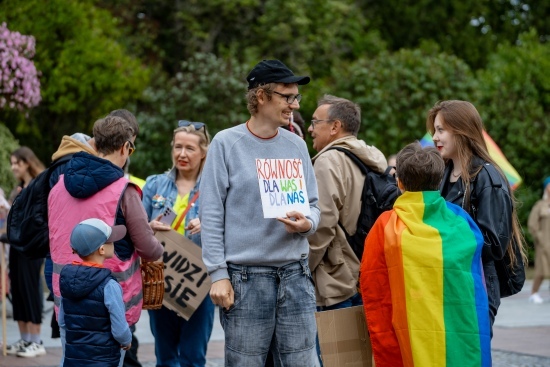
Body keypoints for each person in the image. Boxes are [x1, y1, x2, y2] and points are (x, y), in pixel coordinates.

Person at [200, 59, 321, 366]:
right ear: (262, 96)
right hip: (246, 279)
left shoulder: (296, 145)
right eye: (287, 96)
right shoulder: (226, 144)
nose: (294, 104)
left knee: (303, 362)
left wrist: (307, 224)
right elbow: (212, 214)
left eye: (296, 97)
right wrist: (218, 275)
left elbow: (315, 206)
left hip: (296, 274)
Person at [360, 142, 491, 367]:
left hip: (409, 333)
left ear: (399, 182)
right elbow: (475, 281)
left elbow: (373, 284)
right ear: (439, 180)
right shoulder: (461, 221)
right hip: (457, 334)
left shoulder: (385, 227)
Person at [48, 115, 164, 365]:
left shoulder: (58, 186)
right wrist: (159, 245)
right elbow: (147, 248)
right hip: (112, 304)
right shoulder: (125, 189)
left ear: (94, 143)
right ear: (125, 147)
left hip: (67, 298)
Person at [427, 100, 527, 335]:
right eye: (434, 130)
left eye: (441, 130)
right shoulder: (443, 174)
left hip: (477, 282)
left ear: (461, 131)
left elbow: (493, 244)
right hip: (450, 280)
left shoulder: (487, 177)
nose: (434, 137)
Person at [306, 95, 386, 363]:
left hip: (335, 280)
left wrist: (302, 267)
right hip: (366, 274)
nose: (309, 128)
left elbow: (322, 226)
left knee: (336, 359)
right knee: (362, 359)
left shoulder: (328, 162)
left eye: (315, 122)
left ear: (334, 126)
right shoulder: (372, 158)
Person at [142, 120, 215, 366]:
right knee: (164, 357)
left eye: (190, 148)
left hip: (197, 282)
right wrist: (148, 228)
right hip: (161, 280)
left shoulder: (215, 188)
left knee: (194, 357)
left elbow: (233, 226)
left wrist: (208, 225)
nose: (182, 154)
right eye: (177, 147)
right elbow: (137, 230)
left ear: (204, 152)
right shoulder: (154, 184)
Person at [59, 218, 131, 367]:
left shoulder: (66, 278)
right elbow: (119, 329)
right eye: (110, 241)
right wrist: (126, 340)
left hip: (75, 358)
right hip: (104, 359)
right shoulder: (109, 285)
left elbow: (63, 321)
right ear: (102, 249)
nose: (114, 243)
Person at [5, 147, 47, 358]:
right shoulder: (19, 188)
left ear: (27, 163)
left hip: (32, 246)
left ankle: (36, 340)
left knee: (31, 289)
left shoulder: (40, 184)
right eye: (12, 163)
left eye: (16, 163)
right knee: (19, 291)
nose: (13, 167)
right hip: (16, 246)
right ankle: (25, 339)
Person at [527, 177, 550, 304]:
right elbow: (532, 224)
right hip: (544, 243)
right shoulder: (540, 205)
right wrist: (540, 238)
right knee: (541, 269)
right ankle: (534, 293)